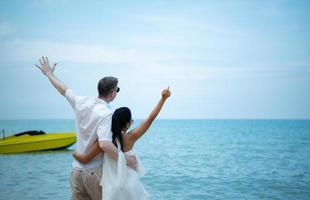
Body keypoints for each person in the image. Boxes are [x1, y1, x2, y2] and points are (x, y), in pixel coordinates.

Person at [34, 56, 137, 200]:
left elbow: (63, 89)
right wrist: (125, 160)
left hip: (76, 172)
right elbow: (105, 144)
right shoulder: (106, 113)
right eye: (117, 90)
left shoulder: (81, 101)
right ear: (113, 92)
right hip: (94, 173)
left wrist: (49, 74)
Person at [73, 87, 171, 200]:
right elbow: (150, 118)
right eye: (131, 120)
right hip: (131, 185)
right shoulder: (131, 137)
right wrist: (163, 99)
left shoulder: (106, 140)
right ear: (128, 123)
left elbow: (85, 159)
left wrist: (74, 154)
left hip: (111, 188)